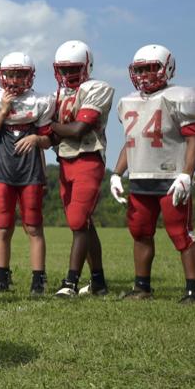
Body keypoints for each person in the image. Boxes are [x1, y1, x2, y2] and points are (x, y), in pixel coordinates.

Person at [110, 45, 195, 303]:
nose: (144, 74)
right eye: (139, 69)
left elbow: (194, 140)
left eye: (150, 68)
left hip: (171, 179)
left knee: (181, 234)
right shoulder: (128, 101)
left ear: (167, 68)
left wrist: (186, 174)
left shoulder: (178, 97)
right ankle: (142, 288)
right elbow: (131, 142)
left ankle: (193, 292)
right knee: (140, 232)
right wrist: (117, 174)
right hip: (140, 178)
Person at [0, 53, 55, 295]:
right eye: (10, 74)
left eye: (19, 75)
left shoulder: (41, 101)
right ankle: (2, 278)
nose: (13, 80)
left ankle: (38, 279)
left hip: (30, 171)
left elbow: (48, 141)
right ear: (2, 75)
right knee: (2, 227)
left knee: (34, 226)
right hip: (2, 169)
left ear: (30, 76)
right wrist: (3, 112)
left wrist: (36, 138)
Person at [48, 41, 113, 297]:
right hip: (65, 161)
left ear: (87, 66)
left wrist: (52, 127)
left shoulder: (97, 88)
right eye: (64, 69)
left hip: (88, 158)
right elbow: (55, 136)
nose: (68, 74)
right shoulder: (59, 94)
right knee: (83, 223)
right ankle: (98, 283)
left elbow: (78, 130)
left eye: (73, 68)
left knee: (77, 221)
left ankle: (70, 282)